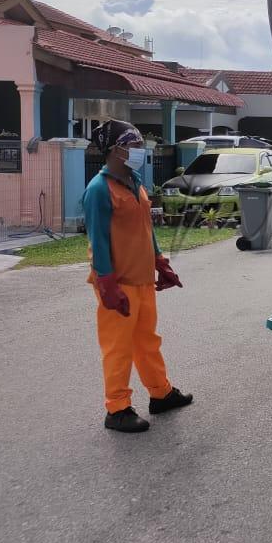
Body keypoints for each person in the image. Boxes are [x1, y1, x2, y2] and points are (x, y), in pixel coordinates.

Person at [83, 120, 191, 433]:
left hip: (142, 278)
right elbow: (97, 240)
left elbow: (146, 227)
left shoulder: (135, 181)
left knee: (148, 340)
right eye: (133, 145)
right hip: (118, 283)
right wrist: (107, 283)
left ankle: (161, 393)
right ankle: (116, 408)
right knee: (118, 347)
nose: (139, 150)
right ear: (115, 150)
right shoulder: (98, 190)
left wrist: (160, 262)